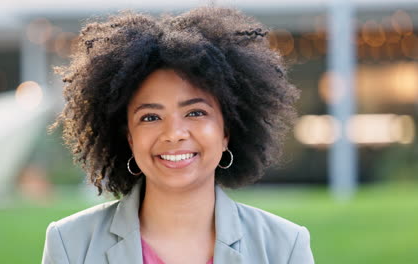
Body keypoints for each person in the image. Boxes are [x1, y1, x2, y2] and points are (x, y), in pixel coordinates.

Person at [42, 6, 314, 264]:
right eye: (150, 117)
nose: (173, 134)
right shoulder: (70, 243)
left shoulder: (284, 246)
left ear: (226, 132)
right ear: (129, 137)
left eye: (195, 112)